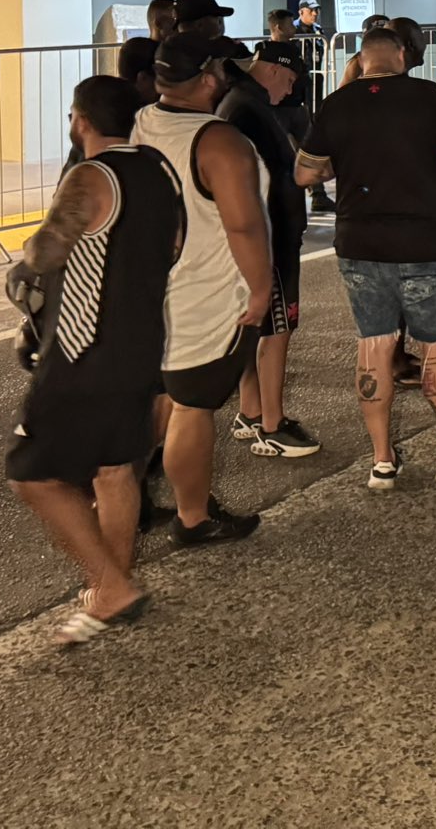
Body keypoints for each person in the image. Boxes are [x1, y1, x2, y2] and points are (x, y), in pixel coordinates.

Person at [5, 76, 184, 645]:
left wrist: (26, 259)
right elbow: (175, 244)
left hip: (83, 350)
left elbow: (46, 252)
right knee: (115, 469)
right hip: (142, 343)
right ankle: (112, 588)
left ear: (80, 120)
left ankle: (111, 586)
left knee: (32, 473)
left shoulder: (89, 176)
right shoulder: (158, 171)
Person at [296, 27, 436, 487]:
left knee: (374, 345)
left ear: (362, 59)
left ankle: (382, 460)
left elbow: (304, 173)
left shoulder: (337, 103)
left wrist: (344, 161)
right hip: (422, 242)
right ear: (402, 54)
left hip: (360, 244)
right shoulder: (427, 96)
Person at [128, 32, 272, 543]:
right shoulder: (219, 142)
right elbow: (243, 226)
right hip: (201, 294)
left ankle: (124, 498)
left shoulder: (143, 121)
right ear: (210, 79)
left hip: (148, 287)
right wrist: (261, 288)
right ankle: (193, 518)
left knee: (160, 396)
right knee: (192, 404)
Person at [216, 44, 320, 460]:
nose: (289, 91)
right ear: (275, 70)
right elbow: (259, 176)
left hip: (268, 232)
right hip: (269, 235)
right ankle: (272, 425)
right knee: (277, 328)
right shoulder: (247, 109)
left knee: (259, 327)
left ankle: (251, 410)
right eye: (289, 81)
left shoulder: (245, 102)